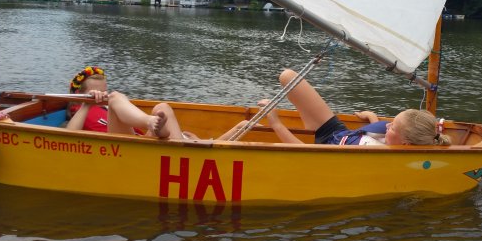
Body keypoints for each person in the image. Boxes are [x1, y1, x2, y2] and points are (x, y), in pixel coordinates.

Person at [259, 69, 451, 146]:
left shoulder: (376, 158)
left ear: (406, 143)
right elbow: (379, 136)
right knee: (287, 76)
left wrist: (275, 122)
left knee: (287, 80)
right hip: (336, 131)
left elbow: (302, 152)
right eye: (391, 122)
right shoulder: (394, 138)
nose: (387, 126)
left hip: (323, 150)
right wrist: (372, 117)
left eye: (392, 127)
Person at [65, 66, 248, 140]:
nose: (101, 95)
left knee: (163, 108)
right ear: (80, 93)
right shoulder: (80, 109)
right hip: (117, 149)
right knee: (116, 97)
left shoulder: (110, 105)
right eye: (95, 92)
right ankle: (153, 125)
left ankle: (195, 144)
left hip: (140, 142)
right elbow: (69, 137)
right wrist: (87, 103)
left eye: (103, 90)